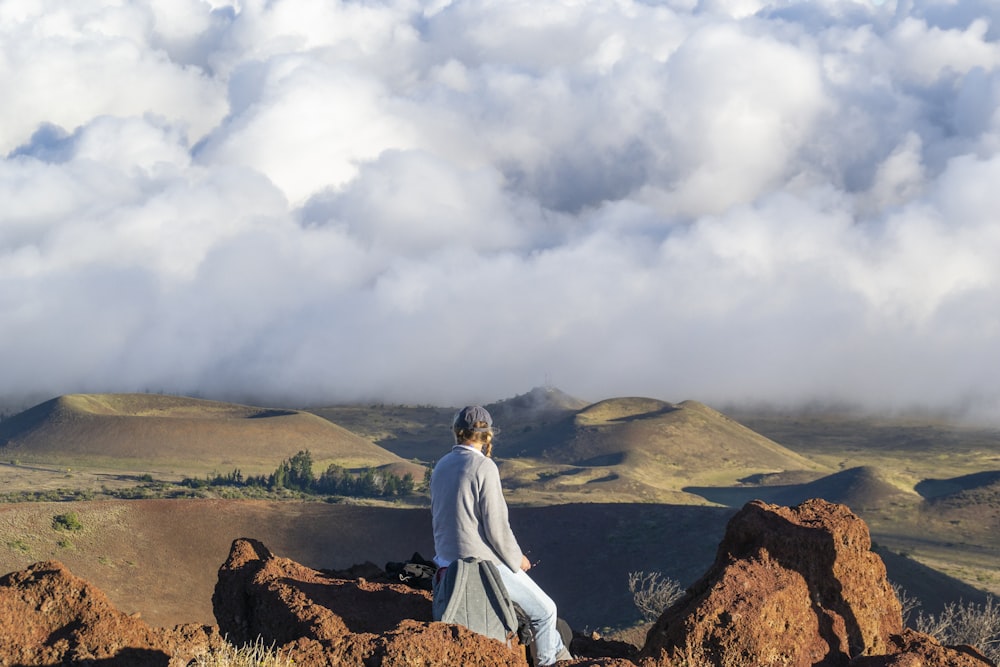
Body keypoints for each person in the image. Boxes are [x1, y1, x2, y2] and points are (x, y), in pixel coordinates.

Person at [430, 405, 573, 666]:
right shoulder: (484, 467)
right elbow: (497, 530)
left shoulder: (440, 466)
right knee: (546, 611)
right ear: (487, 436)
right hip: (481, 567)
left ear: (457, 432)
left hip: (445, 565)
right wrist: (518, 560)